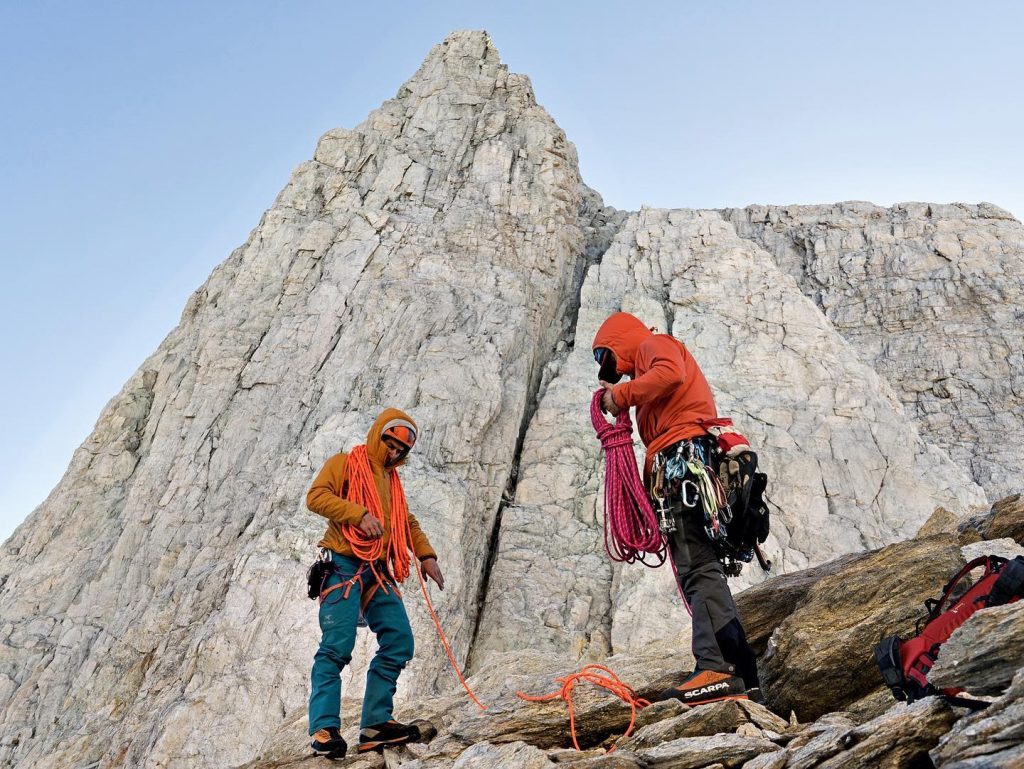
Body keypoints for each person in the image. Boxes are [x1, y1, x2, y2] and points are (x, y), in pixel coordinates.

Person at [592, 312, 761, 705]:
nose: (608, 367)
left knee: (698, 569)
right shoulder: (650, 358)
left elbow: (668, 374)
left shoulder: (655, 345)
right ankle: (740, 671)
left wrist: (619, 396)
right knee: (698, 569)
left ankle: (716, 669)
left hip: (682, 464)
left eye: (605, 355)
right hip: (683, 467)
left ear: (619, 341)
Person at [305, 407, 445, 757]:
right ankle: (324, 728)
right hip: (342, 566)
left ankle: (374, 725)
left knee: (399, 640)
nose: (395, 453)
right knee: (336, 647)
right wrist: (359, 514)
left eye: (402, 450)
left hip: (377, 570)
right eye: (391, 443)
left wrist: (426, 555)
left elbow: (404, 520)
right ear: (378, 434)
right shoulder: (344, 464)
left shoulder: (391, 481)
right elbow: (316, 497)